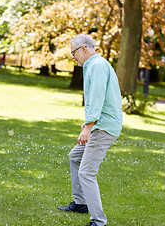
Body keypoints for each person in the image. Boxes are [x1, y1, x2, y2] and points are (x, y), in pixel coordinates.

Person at [58, 34, 122, 226]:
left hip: (104, 128)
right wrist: (89, 124)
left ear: (84, 48)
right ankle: (80, 204)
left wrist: (89, 126)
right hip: (100, 125)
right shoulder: (93, 65)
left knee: (86, 172)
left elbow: (97, 97)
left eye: (74, 53)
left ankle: (99, 221)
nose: (73, 57)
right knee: (75, 156)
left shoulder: (97, 66)